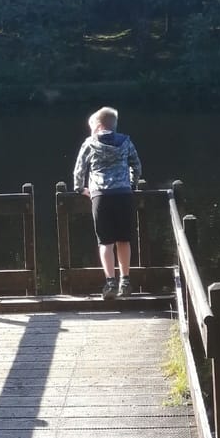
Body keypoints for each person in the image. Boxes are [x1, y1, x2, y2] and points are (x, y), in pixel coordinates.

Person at [72, 106, 142, 299]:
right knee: (124, 239)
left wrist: (80, 188)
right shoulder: (126, 141)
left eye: (92, 126)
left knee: (106, 242)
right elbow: (136, 165)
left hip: (101, 196)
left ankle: (110, 282)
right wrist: (131, 183)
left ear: (99, 125)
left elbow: (79, 170)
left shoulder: (90, 143)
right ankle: (125, 281)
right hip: (123, 195)